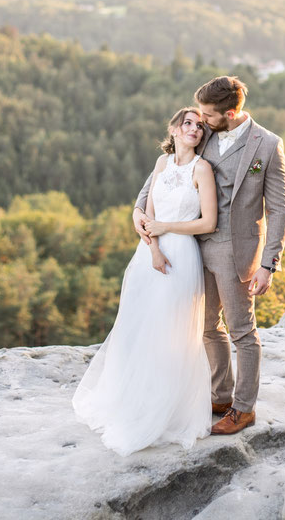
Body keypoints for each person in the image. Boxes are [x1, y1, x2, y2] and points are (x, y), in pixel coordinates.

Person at [133, 76, 285, 436]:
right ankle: (220, 396)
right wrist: (140, 213)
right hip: (189, 247)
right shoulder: (201, 136)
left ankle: (244, 408)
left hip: (237, 251)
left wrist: (269, 263)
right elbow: (160, 179)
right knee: (205, 326)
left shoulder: (267, 145)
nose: (199, 121)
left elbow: (279, 209)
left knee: (242, 331)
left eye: (206, 114)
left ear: (230, 113)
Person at [73, 108, 218, 456]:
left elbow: (208, 223)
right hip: (149, 254)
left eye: (200, 126)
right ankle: (134, 402)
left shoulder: (202, 169)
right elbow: (148, 213)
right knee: (139, 327)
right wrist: (152, 249)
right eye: (188, 123)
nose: (194, 130)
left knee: (170, 331)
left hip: (182, 255)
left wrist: (167, 230)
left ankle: (167, 412)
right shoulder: (161, 164)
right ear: (173, 128)